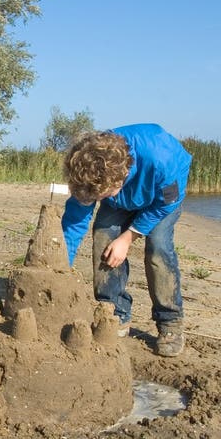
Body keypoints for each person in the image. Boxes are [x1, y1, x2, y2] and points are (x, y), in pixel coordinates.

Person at [61, 124, 192, 357]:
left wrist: (128, 236)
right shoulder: (91, 169)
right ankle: (114, 312)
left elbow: (168, 203)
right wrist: (60, 268)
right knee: (104, 236)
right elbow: (73, 225)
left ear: (119, 181)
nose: (95, 200)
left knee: (158, 247)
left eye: (101, 197)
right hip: (122, 197)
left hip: (160, 200)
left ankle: (170, 322)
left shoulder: (162, 161)